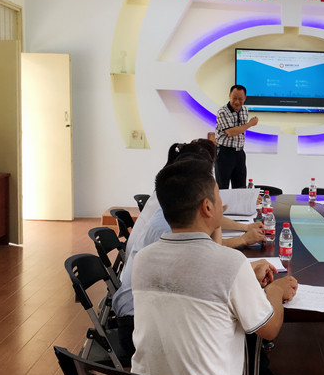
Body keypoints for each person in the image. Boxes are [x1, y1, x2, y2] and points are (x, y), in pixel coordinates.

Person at [127, 157, 311, 375]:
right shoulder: (229, 264)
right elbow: (269, 329)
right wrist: (275, 292)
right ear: (207, 207)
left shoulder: (144, 260)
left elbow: (198, 271)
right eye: (218, 197)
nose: (223, 204)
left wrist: (241, 273)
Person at [112, 140, 264, 357]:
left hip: (146, 310)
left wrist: (240, 228)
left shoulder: (173, 206)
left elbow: (209, 253)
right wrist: (242, 244)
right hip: (138, 321)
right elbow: (209, 261)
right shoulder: (169, 225)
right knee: (231, 313)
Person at [215, 84, 258, 189]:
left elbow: (241, 130)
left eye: (240, 99)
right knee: (222, 188)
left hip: (239, 153)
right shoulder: (222, 112)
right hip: (224, 153)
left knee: (240, 188)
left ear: (245, 98)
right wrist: (250, 124)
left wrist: (247, 125)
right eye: (234, 98)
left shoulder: (244, 110)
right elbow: (231, 132)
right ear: (229, 96)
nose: (237, 102)